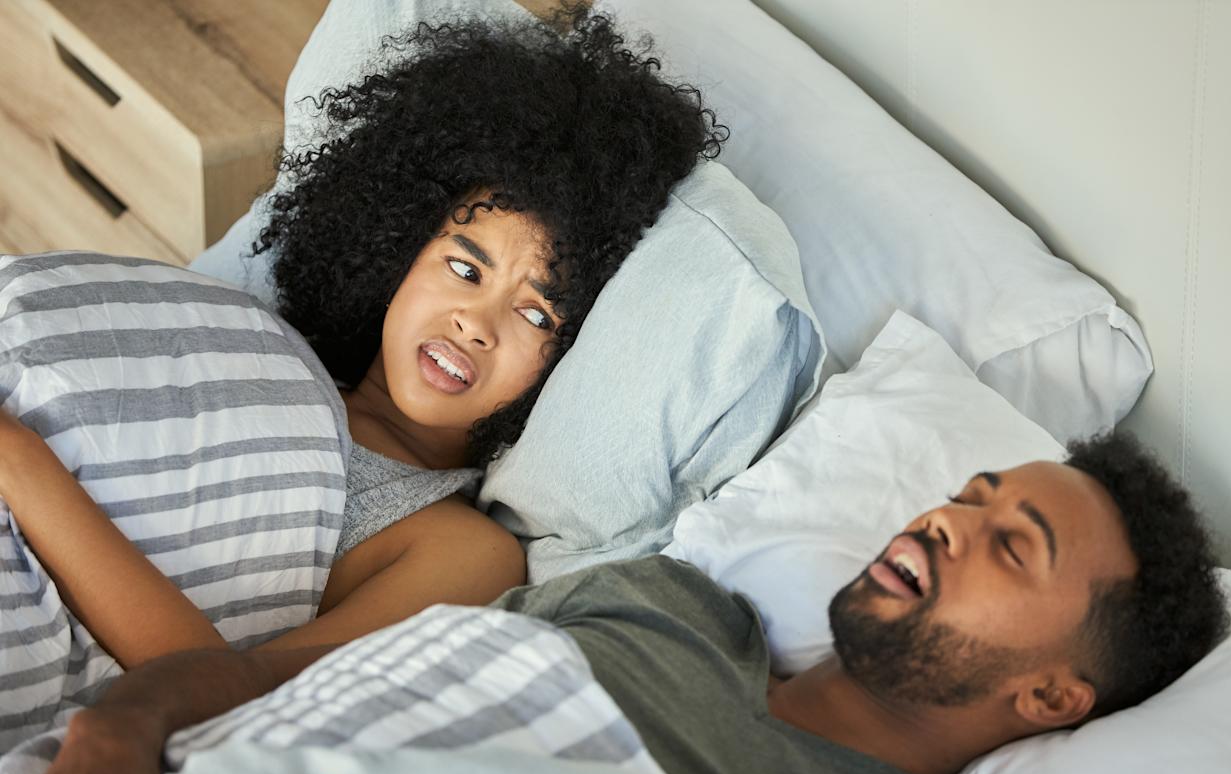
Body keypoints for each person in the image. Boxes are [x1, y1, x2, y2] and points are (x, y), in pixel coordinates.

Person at [0, 5, 727, 672]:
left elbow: (225, 693)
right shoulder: (249, 343)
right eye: (464, 266)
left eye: (538, 315)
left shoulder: (462, 550)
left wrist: (17, 456)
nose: (476, 323)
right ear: (399, 247)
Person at [20, 431, 1230, 774]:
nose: (949, 521)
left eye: (1013, 544)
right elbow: (277, 671)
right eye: (969, 496)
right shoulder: (663, 598)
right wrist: (122, 719)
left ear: (1054, 699)